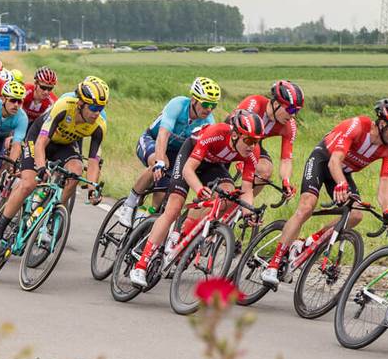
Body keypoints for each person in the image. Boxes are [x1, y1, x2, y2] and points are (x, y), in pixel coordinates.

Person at [260, 99, 388, 287]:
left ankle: (307, 242)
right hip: (324, 161)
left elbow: (385, 180)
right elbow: (334, 162)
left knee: (355, 215)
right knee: (306, 207)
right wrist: (341, 184)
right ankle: (273, 264)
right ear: (382, 123)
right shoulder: (357, 126)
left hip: (343, 172)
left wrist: (387, 210)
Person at [128, 110, 264, 288]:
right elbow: (188, 170)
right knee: (174, 209)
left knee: (229, 194)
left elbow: (247, 190)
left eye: (256, 141)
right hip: (190, 157)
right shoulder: (216, 133)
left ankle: (186, 236)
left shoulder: (252, 153)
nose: (251, 146)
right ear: (235, 134)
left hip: (213, 165)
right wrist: (199, 189)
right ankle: (141, 265)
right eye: (248, 140)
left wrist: (248, 213)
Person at [0, 77, 108, 262]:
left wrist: (92, 189)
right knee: (29, 184)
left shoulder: (99, 125)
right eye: (94, 108)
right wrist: (41, 168)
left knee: (76, 170)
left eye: (101, 109)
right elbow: (41, 143)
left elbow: (94, 161)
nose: (97, 113)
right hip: (39, 140)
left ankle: (50, 215)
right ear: (80, 103)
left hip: (64, 145)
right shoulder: (64, 107)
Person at [117, 76, 221, 226]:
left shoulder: (209, 122)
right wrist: (159, 161)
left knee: (166, 188)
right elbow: (163, 135)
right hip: (152, 140)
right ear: (194, 100)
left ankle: (146, 217)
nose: (209, 109)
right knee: (161, 164)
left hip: (176, 153)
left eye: (213, 106)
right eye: (205, 104)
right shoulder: (178, 104)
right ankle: (129, 204)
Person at [234, 80, 303, 197]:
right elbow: (235, 129)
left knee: (265, 171)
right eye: (291, 110)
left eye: (297, 111)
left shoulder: (289, 126)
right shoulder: (254, 103)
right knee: (223, 186)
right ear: (276, 104)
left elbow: (286, 159)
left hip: (252, 142)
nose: (293, 115)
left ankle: (239, 207)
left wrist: (286, 182)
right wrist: (241, 161)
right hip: (233, 138)